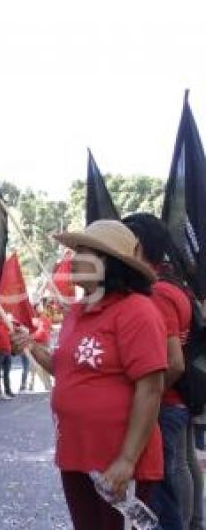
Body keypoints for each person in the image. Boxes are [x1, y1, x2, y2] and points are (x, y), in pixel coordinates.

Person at [11, 220, 167, 530]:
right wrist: (32, 347)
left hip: (118, 461)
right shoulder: (77, 312)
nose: (71, 259)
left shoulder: (137, 310)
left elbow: (150, 389)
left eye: (81, 251)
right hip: (76, 453)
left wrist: (126, 460)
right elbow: (65, 369)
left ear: (106, 262)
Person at [123, 212, 194, 530]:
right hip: (175, 402)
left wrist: (147, 398)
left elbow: (174, 362)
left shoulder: (158, 293)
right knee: (180, 470)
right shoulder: (172, 285)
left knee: (164, 490)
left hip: (166, 404)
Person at [21, 305, 52, 393]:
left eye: (41, 306)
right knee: (34, 366)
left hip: (41, 344)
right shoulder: (33, 319)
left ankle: (46, 385)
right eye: (38, 307)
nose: (40, 308)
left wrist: (30, 337)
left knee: (40, 365)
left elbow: (42, 332)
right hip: (35, 344)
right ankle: (31, 385)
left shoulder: (43, 318)